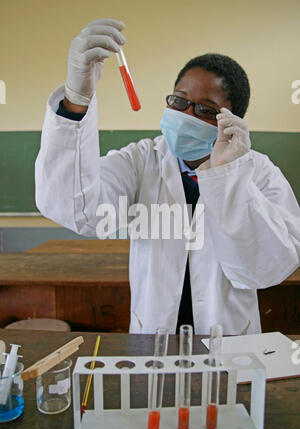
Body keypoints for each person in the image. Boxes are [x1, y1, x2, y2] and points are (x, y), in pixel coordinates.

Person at [35, 18, 300, 335]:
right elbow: (77, 210)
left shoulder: (259, 173)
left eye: (204, 109)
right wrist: (76, 99)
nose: (185, 115)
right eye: (179, 100)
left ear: (231, 121)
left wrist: (229, 177)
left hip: (230, 345)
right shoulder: (141, 161)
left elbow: (266, 269)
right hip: (153, 343)